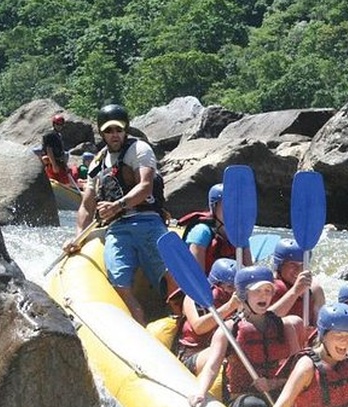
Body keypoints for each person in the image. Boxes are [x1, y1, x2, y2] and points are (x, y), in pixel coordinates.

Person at [63, 103, 168, 325]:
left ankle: (176, 316)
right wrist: (79, 237)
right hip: (117, 228)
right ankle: (137, 315)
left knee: (166, 275)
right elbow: (86, 204)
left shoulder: (139, 150)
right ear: (102, 133)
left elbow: (146, 186)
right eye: (109, 131)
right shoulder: (98, 162)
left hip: (147, 221)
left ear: (126, 130)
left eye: (119, 130)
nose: (115, 135)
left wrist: (117, 205)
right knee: (118, 279)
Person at [188, 265, 304, 407]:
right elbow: (212, 367)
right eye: (257, 291)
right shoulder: (228, 330)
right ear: (243, 294)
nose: (264, 295)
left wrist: (273, 383)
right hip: (243, 398)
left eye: (268, 291)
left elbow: (297, 370)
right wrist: (201, 392)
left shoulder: (284, 327)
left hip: (277, 390)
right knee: (252, 406)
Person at [173, 258, 241, 372]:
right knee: (220, 351)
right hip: (192, 355)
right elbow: (199, 327)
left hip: (224, 352)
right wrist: (230, 306)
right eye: (230, 287)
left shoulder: (242, 301)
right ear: (216, 284)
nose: (233, 291)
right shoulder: (194, 297)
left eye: (237, 287)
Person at [177, 183, 251, 273]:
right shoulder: (202, 232)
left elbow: (249, 271)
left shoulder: (240, 235)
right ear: (214, 208)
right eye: (227, 206)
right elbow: (196, 274)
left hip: (230, 285)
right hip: (207, 283)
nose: (232, 211)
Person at [269, 238, 325, 329]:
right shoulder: (271, 287)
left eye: (303, 265)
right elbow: (266, 322)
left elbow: (321, 326)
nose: (299, 270)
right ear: (280, 265)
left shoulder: (313, 290)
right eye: (292, 265)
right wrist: (296, 291)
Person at [41, 114, 73, 185]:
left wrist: (65, 165)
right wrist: (54, 165)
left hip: (60, 162)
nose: (59, 126)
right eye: (58, 124)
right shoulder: (49, 135)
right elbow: (49, 150)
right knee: (56, 181)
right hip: (52, 162)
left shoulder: (58, 135)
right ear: (54, 124)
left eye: (61, 124)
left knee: (65, 181)